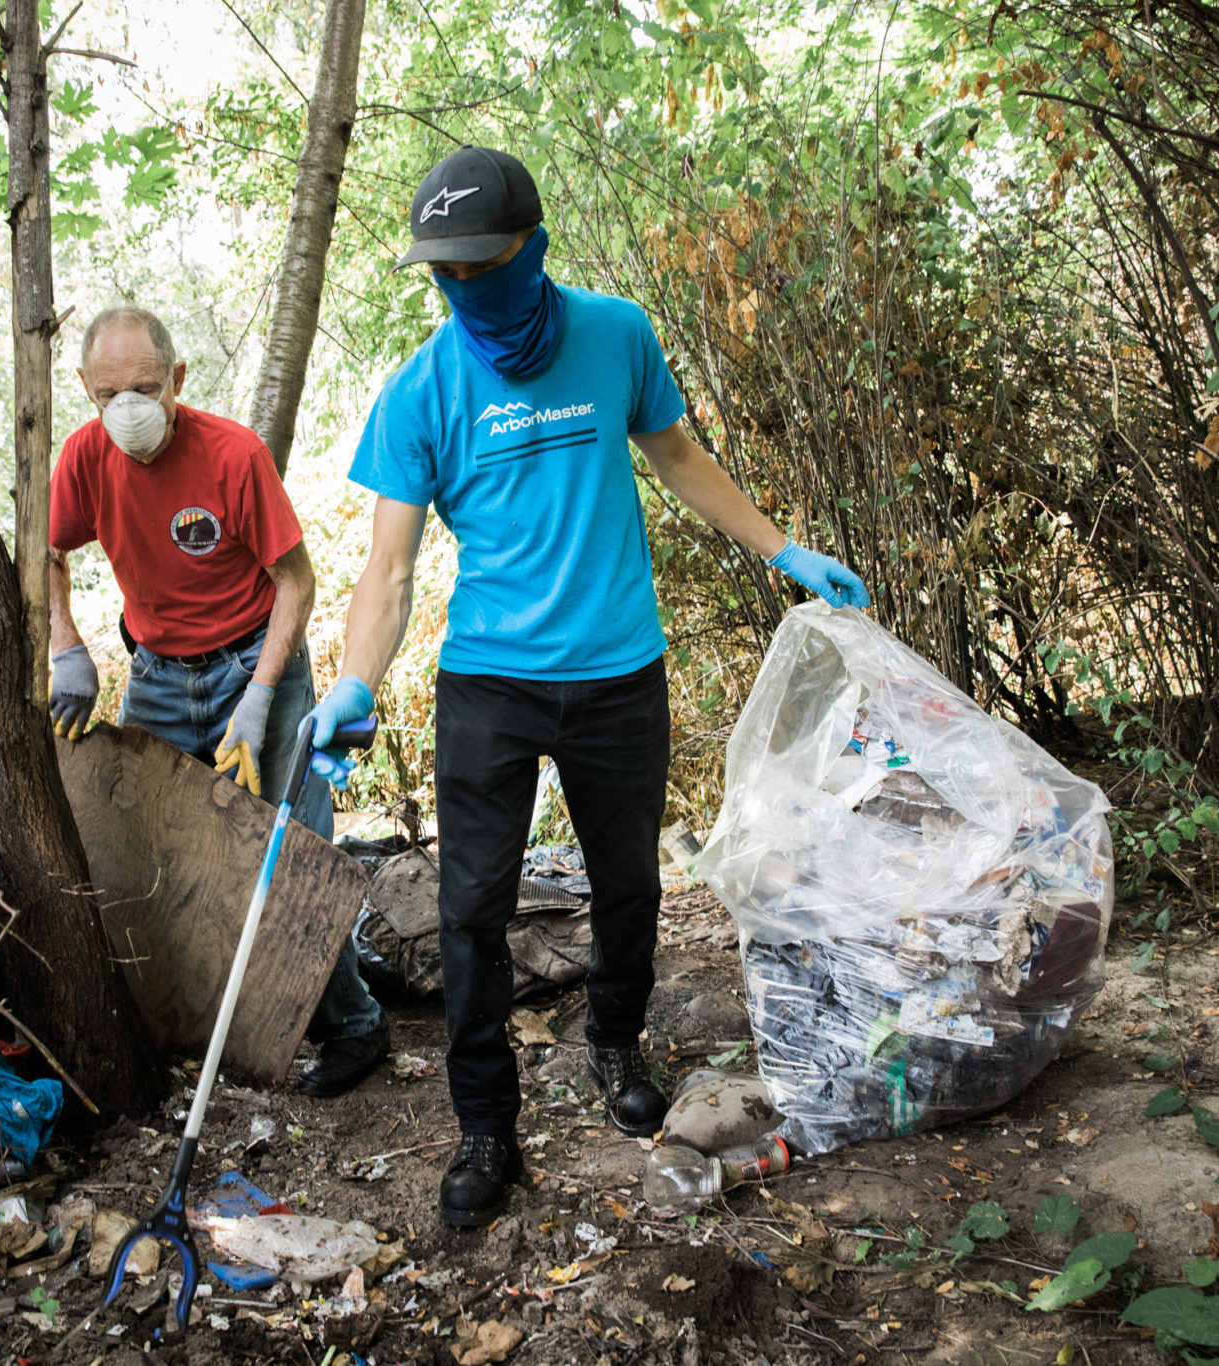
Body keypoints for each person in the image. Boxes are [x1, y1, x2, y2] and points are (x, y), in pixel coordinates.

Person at [302, 148, 869, 1227]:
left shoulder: (616, 333)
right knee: (469, 911)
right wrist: (351, 680)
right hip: (489, 685)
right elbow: (387, 567)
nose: (466, 286)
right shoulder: (420, 390)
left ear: (534, 246)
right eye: (445, 272)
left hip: (618, 673)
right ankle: (485, 1124)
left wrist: (778, 546)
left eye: (484, 263)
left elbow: (676, 453)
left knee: (628, 888)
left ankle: (612, 1035)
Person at [46, 302, 389, 1097]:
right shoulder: (83, 460)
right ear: (85, 393)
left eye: (143, 387)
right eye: (106, 395)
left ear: (177, 379)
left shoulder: (232, 455)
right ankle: (179, 1023)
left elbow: (294, 583)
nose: (125, 409)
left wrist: (261, 696)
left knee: (292, 851)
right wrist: (68, 647)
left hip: (253, 660)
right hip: (158, 676)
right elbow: (49, 552)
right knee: (146, 850)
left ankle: (356, 1023)